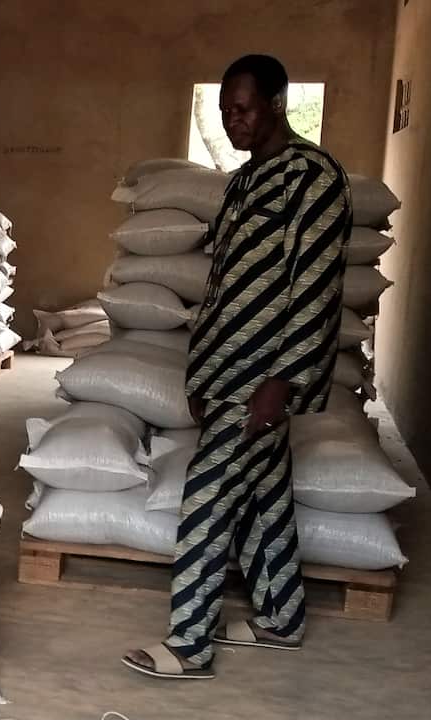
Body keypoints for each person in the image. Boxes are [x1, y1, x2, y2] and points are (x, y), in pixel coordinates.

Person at [123, 54, 352, 679]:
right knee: (263, 499)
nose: (232, 121)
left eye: (243, 108)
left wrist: (282, 381)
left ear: (278, 103)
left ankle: (190, 644)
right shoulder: (244, 183)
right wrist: (201, 372)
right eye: (225, 111)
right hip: (225, 373)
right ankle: (282, 618)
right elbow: (223, 287)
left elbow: (316, 285)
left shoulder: (315, 178)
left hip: (264, 377)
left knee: (207, 495)